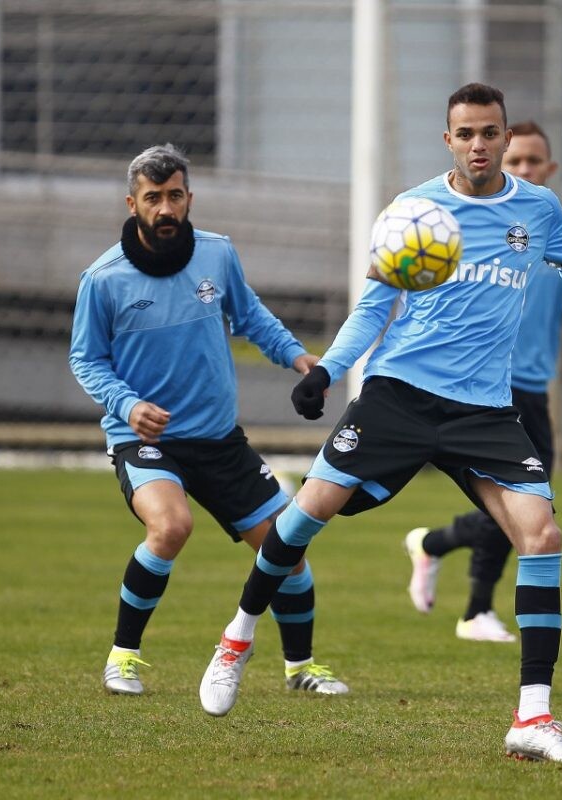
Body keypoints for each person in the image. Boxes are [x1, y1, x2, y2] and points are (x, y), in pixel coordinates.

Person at [197, 84, 562, 764]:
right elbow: (372, 308)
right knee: (305, 516)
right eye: (466, 133)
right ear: (447, 139)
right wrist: (327, 372)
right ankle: (237, 638)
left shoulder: (536, 209)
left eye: (490, 132)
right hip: (401, 395)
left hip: (485, 407)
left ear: (507, 139)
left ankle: (532, 719)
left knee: (542, 535)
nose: (479, 144)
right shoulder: (412, 211)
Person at [69, 143, 348, 699]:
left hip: (219, 439)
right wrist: (128, 405)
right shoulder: (103, 279)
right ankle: (122, 659)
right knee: (170, 527)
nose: (166, 208)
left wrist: (300, 358)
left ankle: (300, 669)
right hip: (145, 440)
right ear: (133, 203)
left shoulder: (217, 255)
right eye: (153, 199)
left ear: (189, 197)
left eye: (175, 196)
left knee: (285, 547)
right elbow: (85, 358)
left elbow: (250, 317)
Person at [403, 120, 562, 644]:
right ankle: (475, 609)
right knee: (515, 505)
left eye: (533, 163)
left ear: (549, 169)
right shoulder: (467, 217)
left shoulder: (554, 221)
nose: (522, 169)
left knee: (532, 508)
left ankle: (435, 545)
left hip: (533, 387)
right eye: (516, 161)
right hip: (482, 386)